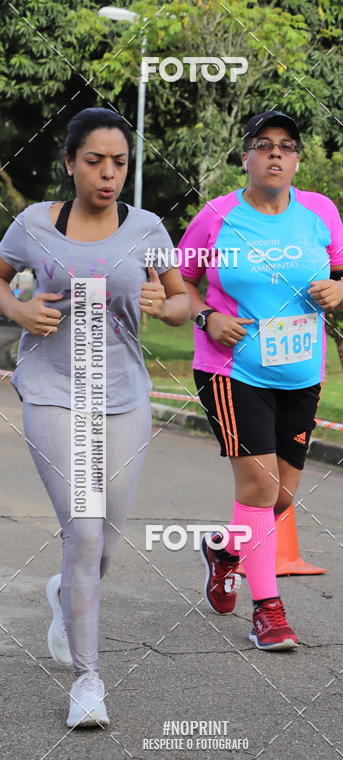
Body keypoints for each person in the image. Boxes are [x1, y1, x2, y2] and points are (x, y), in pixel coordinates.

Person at [0, 107, 189, 726]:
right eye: (95, 161)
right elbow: (1, 280)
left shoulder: (148, 228)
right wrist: (18, 311)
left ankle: (66, 592)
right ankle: (88, 680)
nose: (109, 174)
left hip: (125, 396)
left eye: (120, 163)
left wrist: (167, 306)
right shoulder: (34, 224)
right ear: (69, 163)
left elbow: (183, 300)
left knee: (104, 540)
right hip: (54, 390)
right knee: (82, 532)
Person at [179, 110, 343, 650]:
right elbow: (179, 280)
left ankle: (225, 551)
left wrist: (342, 291)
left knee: (280, 497)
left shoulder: (320, 211)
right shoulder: (216, 216)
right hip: (232, 369)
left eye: (286, 145)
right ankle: (268, 611)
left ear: (297, 159)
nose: (275, 153)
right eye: (263, 144)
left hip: (301, 374)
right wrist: (206, 317)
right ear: (246, 158)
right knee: (258, 487)